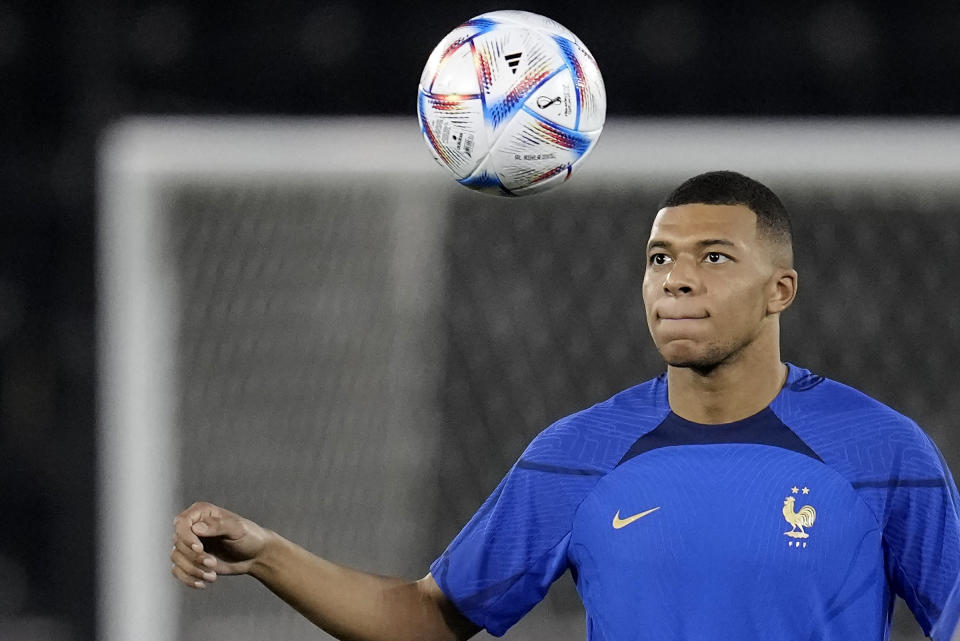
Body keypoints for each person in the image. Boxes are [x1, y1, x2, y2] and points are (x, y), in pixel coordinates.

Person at [172, 170, 960, 641]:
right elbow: (427, 617)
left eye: (713, 258)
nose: (676, 279)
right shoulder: (581, 452)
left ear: (779, 290)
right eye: (660, 259)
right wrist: (268, 552)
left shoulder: (882, 452)